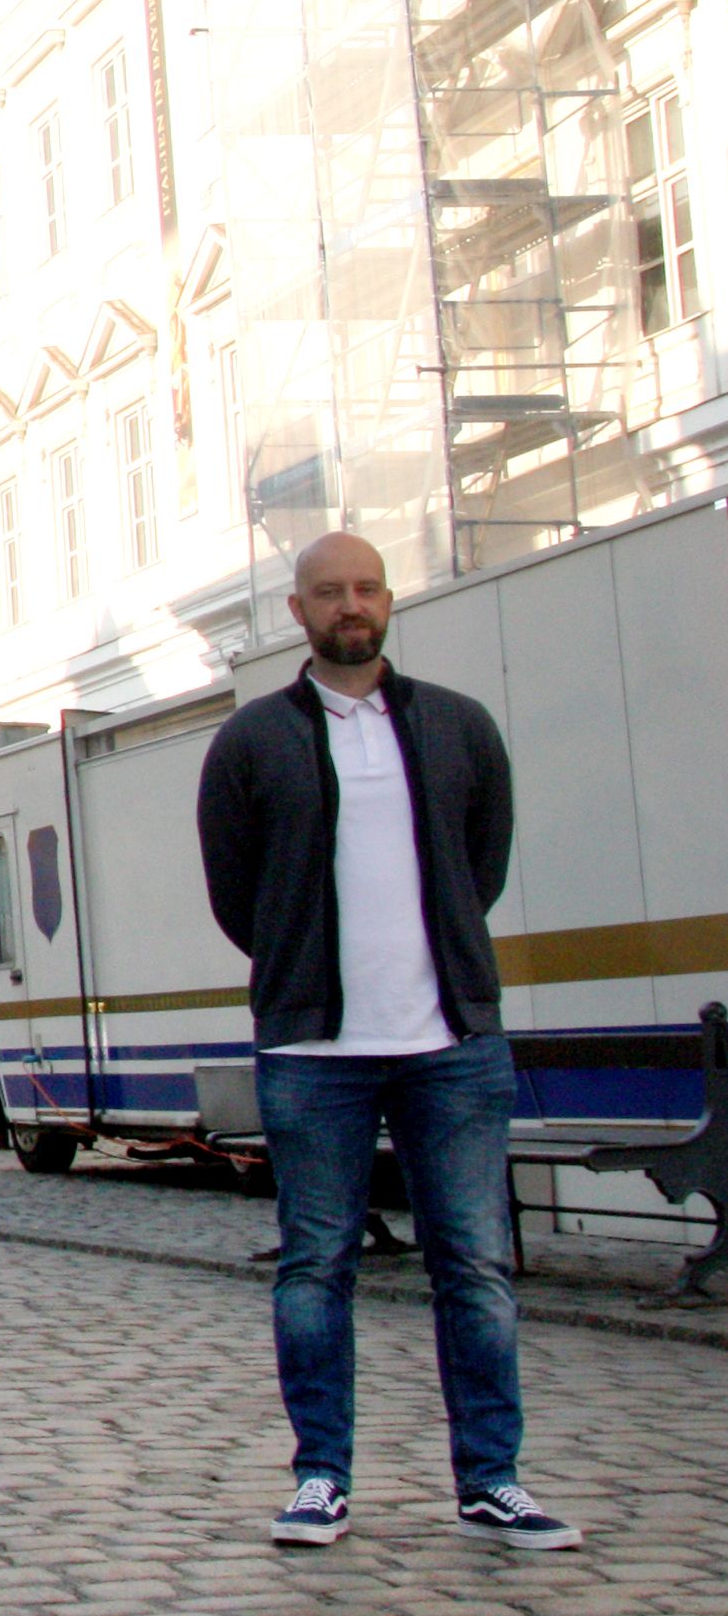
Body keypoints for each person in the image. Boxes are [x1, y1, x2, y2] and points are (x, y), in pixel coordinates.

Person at [197, 532, 572, 1552]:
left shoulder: (456, 726)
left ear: (388, 600)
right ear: (297, 611)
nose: (348, 605)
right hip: (314, 1050)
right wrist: (303, 968)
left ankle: (490, 1480)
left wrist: (439, 958)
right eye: (328, 592)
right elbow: (238, 895)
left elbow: (479, 865)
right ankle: (320, 1476)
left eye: (363, 588)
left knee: (476, 1265)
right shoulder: (252, 743)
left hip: (447, 1039)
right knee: (315, 1268)